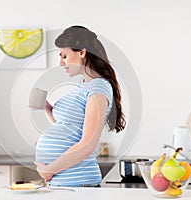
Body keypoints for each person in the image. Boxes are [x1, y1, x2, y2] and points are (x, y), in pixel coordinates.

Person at [35, 25, 126, 187]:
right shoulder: (83, 84)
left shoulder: (98, 88)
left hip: (78, 182)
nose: (61, 62)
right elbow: (70, 128)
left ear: (82, 53)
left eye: (64, 56)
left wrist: (48, 171)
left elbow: (87, 145)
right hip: (65, 183)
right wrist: (47, 107)